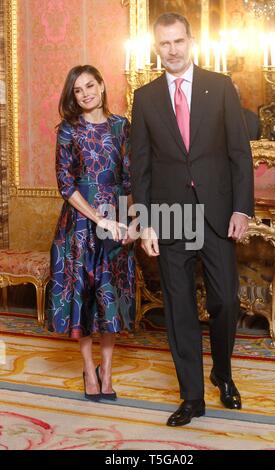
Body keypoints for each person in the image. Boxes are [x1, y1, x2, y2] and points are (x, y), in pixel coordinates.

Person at [131, 13, 254, 427]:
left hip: (218, 213)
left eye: (179, 41)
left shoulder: (219, 86)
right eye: (164, 44)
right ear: (156, 47)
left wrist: (242, 208)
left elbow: (239, 152)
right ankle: (192, 397)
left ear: (191, 40)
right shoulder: (144, 97)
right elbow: (141, 166)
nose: (173, 50)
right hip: (170, 217)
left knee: (225, 300)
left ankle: (223, 372)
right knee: (179, 308)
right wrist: (145, 221)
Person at [48, 65, 135, 402]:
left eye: (89, 86)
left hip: (115, 222)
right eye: (77, 90)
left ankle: (107, 371)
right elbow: (65, 184)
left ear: (101, 84)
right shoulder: (69, 130)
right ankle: (88, 368)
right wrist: (99, 218)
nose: (85, 94)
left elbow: (128, 179)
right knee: (83, 300)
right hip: (81, 225)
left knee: (110, 299)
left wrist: (129, 221)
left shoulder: (121, 126)